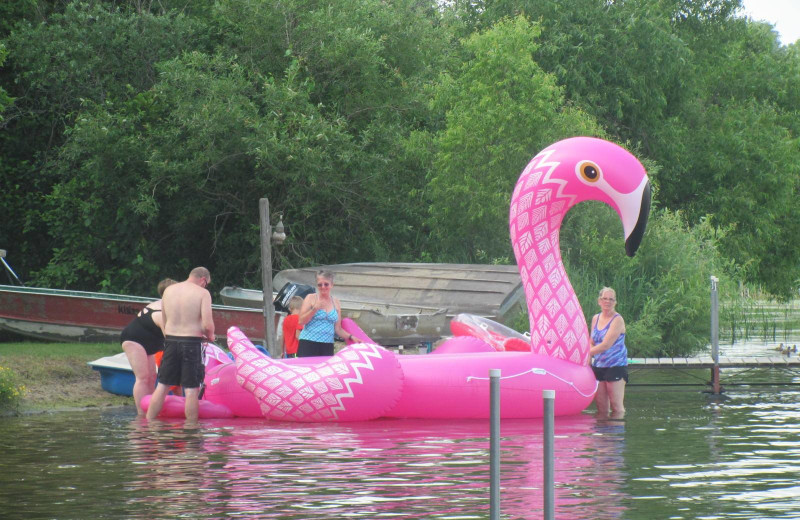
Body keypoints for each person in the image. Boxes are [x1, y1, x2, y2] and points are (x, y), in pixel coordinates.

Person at [146, 267, 215, 423]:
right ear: (203, 280)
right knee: (191, 389)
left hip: (170, 341)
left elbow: (165, 320)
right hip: (190, 343)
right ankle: (190, 431)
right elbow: (207, 325)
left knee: (162, 386)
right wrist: (210, 336)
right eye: (207, 284)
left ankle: (148, 424)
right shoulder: (203, 293)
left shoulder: (169, 290)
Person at [121, 278, 176, 416]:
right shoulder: (160, 311)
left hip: (149, 343)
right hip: (134, 340)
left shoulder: (170, 307)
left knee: (152, 376)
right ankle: (141, 414)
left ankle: (151, 408)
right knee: (143, 377)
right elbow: (170, 337)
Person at [297, 270, 360, 357]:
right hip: (308, 342)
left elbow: (338, 329)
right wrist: (315, 309)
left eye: (326, 284)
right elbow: (301, 321)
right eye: (320, 284)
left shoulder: (336, 302)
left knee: (325, 370)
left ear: (332, 285)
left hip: (327, 344)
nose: (323, 287)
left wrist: (351, 337)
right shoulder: (311, 298)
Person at [588, 287, 628, 419]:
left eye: (611, 299)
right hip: (599, 366)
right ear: (599, 301)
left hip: (615, 365)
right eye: (605, 298)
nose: (608, 302)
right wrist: (588, 356)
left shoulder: (618, 320)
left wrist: (586, 353)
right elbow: (591, 341)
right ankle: (602, 437)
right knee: (602, 408)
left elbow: (606, 345)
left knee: (616, 407)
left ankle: (616, 437)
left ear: (615, 302)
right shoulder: (595, 318)